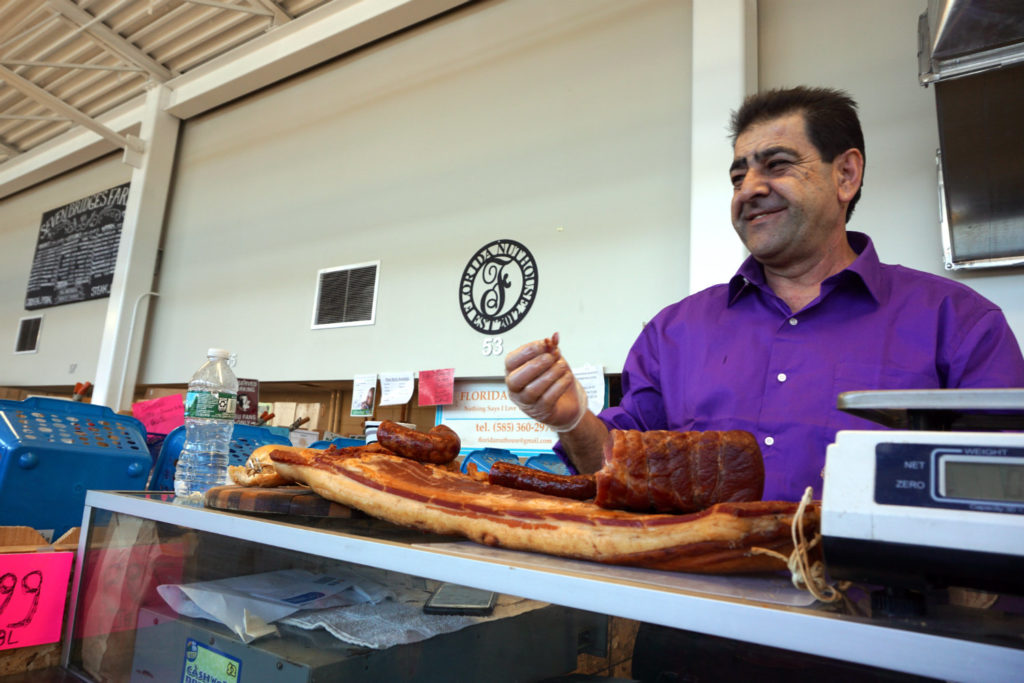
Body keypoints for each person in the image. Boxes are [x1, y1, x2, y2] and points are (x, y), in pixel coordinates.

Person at [505, 86, 1024, 503]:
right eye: (738, 175)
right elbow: (615, 472)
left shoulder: (957, 323)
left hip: (881, 622)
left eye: (776, 165)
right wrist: (572, 418)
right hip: (688, 616)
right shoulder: (674, 332)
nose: (749, 188)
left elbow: (1005, 494)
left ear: (846, 175)